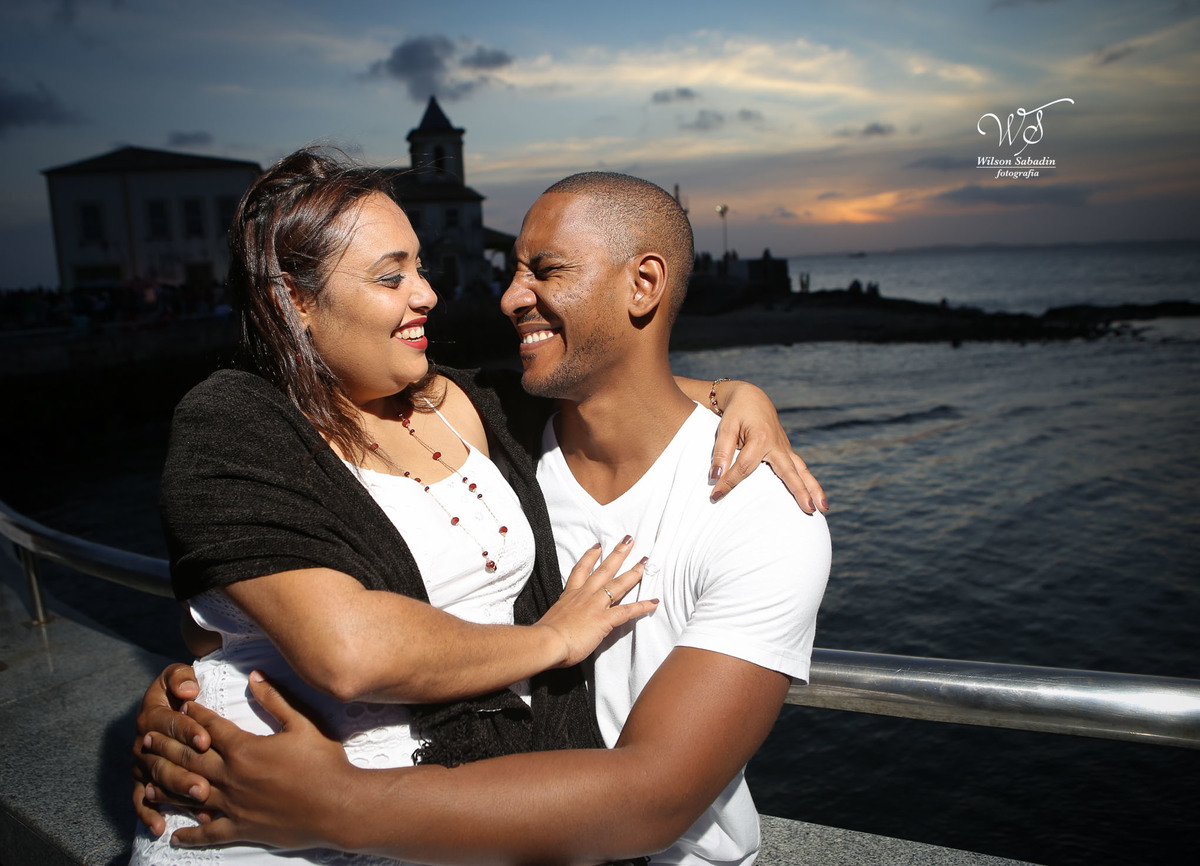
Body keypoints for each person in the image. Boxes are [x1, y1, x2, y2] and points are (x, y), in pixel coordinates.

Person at [130, 151, 825, 864]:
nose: (458, 296)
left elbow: (652, 795)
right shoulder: (248, 420)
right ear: (293, 300)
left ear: (644, 282)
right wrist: (207, 696)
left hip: (464, 812)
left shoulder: (483, 411)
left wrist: (740, 395)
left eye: (545, 270)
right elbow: (321, 638)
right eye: (390, 275)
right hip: (295, 810)